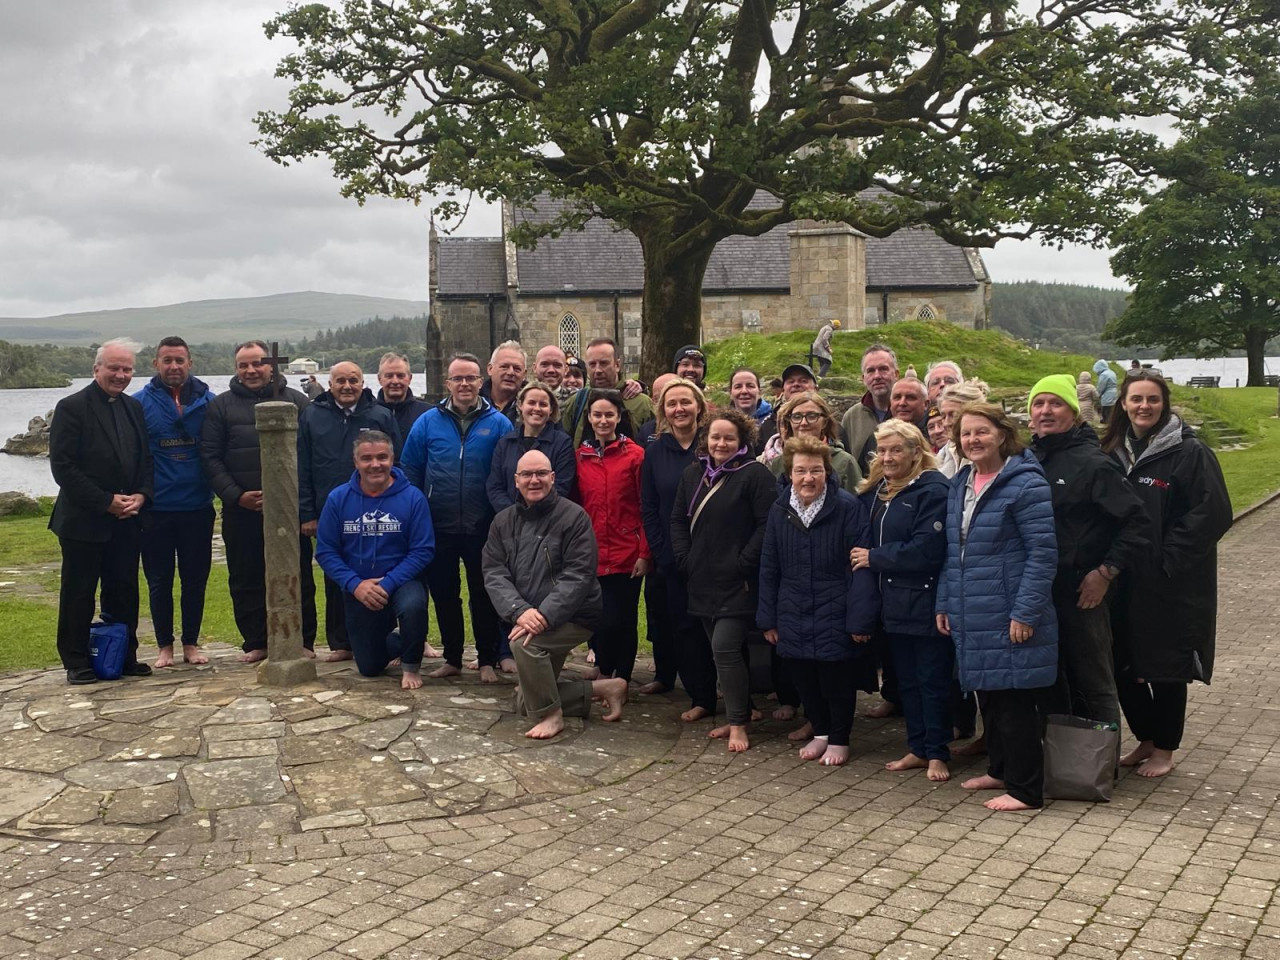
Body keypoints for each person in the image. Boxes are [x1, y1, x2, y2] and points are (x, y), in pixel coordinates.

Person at [1102, 373, 1232, 778]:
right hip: (1122, 577)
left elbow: (1212, 513)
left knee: (1166, 666)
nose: (1144, 406)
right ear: (1123, 403)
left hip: (1170, 582)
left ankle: (1166, 748)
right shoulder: (1111, 452)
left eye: (1153, 399)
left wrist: (1167, 559)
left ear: (1165, 403)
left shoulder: (1190, 453)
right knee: (1122, 662)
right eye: (1136, 399)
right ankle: (1146, 737)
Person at [936, 402, 1058, 811]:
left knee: (1015, 702)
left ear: (1003, 435)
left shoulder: (1026, 484)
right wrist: (945, 600)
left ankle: (1027, 789)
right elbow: (952, 551)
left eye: (981, 432)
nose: (972, 440)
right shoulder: (961, 483)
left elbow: (1043, 554)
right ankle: (1000, 770)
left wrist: (1025, 612)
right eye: (966, 434)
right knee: (989, 695)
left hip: (1008, 609)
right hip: (972, 608)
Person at [1029, 374, 1149, 726]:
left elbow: (1137, 521)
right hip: (1039, 589)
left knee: (1093, 680)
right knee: (1049, 679)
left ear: (1074, 412)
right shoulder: (1027, 459)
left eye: (1056, 403)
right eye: (1039, 403)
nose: (1046, 411)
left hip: (1082, 590)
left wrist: (1106, 571)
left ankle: (1098, 771)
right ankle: (1061, 764)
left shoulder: (1093, 463)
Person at [483, 450, 628, 738]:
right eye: (526, 474)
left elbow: (578, 575)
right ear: (516, 480)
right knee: (526, 702)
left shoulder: (574, 517)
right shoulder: (502, 522)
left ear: (552, 477)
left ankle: (552, 716)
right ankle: (606, 688)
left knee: (525, 645)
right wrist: (520, 611)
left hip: (574, 615)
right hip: (529, 615)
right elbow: (493, 572)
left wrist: (545, 615)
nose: (533, 480)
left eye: (540, 474)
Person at [758, 435, 879, 767]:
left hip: (835, 607)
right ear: (790, 473)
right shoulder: (780, 508)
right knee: (804, 675)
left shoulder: (847, 507)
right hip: (792, 607)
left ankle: (840, 737)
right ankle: (821, 732)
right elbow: (769, 565)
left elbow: (861, 568)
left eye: (815, 470)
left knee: (835, 678)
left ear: (827, 471)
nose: (808, 478)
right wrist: (767, 618)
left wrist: (859, 620)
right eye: (800, 471)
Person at [202, 340, 318, 662]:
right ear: (236, 368)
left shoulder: (297, 401)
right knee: (245, 576)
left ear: (271, 365)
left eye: (257, 363)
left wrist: (300, 501)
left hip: (289, 509)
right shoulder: (220, 407)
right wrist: (236, 495)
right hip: (243, 508)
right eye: (243, 365)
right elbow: (210, 457)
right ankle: (256, 641)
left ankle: (302, 639)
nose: (251, 370)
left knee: (299, 575)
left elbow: (310, 455)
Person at [401, 353, 514, 682]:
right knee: (445, 594)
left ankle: (487, 659)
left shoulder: (498, 423)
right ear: (447, 383)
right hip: (438, 526)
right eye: (458, 378)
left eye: (471, 378)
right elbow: (410, 472)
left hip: (484, 527)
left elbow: (506, 473)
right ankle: (452, 657)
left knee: (484, 594)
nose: (464, 384)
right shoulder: (426, 423)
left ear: (482, 381)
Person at [670, 410, 776, 752]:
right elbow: (676, 520)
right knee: (722, 653)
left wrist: (743, 562)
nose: (721, 443)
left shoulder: (755, 475)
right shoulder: (693, 474)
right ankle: (739, 711)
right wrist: (685, 559)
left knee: (725, 649)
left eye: (729, 438)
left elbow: (766, 525)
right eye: (716, 437)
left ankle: (738, 724)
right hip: (701, 579)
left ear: (741, 441)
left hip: (737, 582)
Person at [49, 339, 154, 685]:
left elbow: (144, 461)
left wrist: (141, 494)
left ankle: (124, 656)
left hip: (126, 519)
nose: (121, 375)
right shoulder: (72, 407)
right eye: (114, 368)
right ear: (97, 369)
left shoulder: (133, 408)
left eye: (127, 370)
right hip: (83, 520)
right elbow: (64, 468)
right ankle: (76, 661)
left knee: (123, 590)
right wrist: (105, 501)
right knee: (79, 593)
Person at [853, 421, 952, 781]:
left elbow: (928, 549)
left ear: (916, 450)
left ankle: (938, 753)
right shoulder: (881, 490)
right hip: (891, 604)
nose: (888, 457)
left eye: (896, 450)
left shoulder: (934, 489)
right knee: (906, 681)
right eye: (883, 450)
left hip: (925, 603)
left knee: (932, 680)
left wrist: (874, 558)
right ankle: (917, 748)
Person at [298, 361, 402, 663]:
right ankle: (341, 641)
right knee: (336, 576)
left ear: (363, 383)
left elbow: (397, 462)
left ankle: (381, 637)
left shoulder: (380, 415)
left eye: (353, 380)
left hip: (376, 507)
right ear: (330, 385)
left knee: (377, 570)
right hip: (329, 508)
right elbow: (302, 466)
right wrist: (307, 513)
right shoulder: (312, 416)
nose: (347, 386)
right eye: (340, 381)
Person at [315, 432, 435, 689]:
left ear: (392, 459)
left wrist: (388, 583)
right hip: (359, 586)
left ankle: (411, 664)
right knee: (369, 667)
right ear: (355, 462)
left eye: (382, 457)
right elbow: (325, 551)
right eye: (366, 458)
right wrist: (355, 585)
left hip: (402, 581)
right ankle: (401, 641)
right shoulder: (338, 498)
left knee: (414, 606)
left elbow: (423, 550)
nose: (375, 464)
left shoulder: (413, 497)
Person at [133, 336, 214, 668]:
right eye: (167, 360)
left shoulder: (210, 402)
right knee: (159, 580)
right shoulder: (138, 404)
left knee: (195, 579)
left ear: (190, 363)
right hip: (156, 509)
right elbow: (134, 456)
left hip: (197, 506)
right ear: (156, 364)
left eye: (180, 360)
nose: (174, 366)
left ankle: (191, 643)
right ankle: (164, 645)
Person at [641, 377, 712, 708]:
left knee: (718, 627)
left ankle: (733, 691)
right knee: (683, 626)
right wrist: (660, 549)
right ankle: (698, 695)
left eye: (686, 402)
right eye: (672, 404)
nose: (679, 409)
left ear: (699, 406)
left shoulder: (715, 445)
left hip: (715, 554)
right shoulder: (655, 452)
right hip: (673, 556)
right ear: (663, 411)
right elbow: (650, 506)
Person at [574, 390, 652, 683]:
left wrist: (645, 553)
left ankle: (623, 677)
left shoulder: (636, 455)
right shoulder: (580, 457)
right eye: (598, 414)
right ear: (590, 418)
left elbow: (646, 506)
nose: (603, 420)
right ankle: (605, 669)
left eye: (609, 414)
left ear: (619, 417)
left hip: (627, 551)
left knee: (623, 618)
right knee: (600, 616)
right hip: (592, 550)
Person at [488, 381, 575, 513]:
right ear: (520, 405)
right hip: (510, 523)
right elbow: (495, 486)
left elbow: (562, 486)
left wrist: (535, 515)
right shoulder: (505, 443)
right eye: (531, 402)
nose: (537, 408)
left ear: (551, 409)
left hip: (550, 521)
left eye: (543, 404)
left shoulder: (562, 444)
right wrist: (514, 515)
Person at [759, 392, 862, 493]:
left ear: (825, 422)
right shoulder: (779, 463)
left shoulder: (845, 462)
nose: (803, 423)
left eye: (812, 416)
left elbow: (857, 506)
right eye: (797, 417)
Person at [562, 338, 654, 444]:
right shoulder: (577, 402)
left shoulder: (642, 404)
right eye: (592, 364)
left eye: (603, 363)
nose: (598, 370)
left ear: (617, 365)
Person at [841, 344, 899, 474]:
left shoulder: (907, 411)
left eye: (883, 369)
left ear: (896, 374)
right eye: (870, 371)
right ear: (863, 378)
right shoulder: (851, 417)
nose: (877, 376)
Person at [934, 380, 989, 479]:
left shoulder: (987, 453)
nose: (946, 423)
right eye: (943, 416)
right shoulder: (946, 452)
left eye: (953, 415)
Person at [757, 363, 819, 448]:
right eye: (791, 381)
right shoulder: (768, 425)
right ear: (783, 389)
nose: (796, 384)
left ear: (816, 388)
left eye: (803, 381)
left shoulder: (830, 424)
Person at [376, 352, 431, 438]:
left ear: (410, 378)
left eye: (400, 376)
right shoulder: (368, 414)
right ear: (379, 379)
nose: (395, 381)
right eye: (389, 376)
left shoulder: (427, 414)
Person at [481, 340, 528, 424]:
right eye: (504, 367)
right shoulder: (475, 401)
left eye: (517, 369)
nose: (510, 372)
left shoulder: (533, 406)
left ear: (524, 374)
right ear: (490, 369)